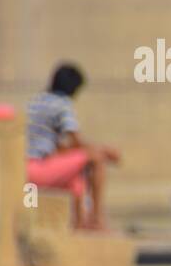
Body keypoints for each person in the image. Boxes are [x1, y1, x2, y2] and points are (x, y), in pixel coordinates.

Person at [25, 64, 121, 230]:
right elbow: (76, 141)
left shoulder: (37, 101)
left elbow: (60, 147)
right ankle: (97, 218)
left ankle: (80, 224)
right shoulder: (62, 104)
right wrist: (105, 151)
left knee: (76, 178)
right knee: (96, 159)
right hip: (38, 169)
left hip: (25, 169)